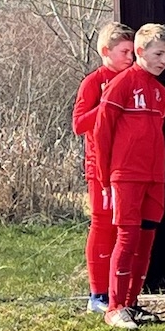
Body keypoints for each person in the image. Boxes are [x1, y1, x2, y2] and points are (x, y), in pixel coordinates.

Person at [91, 23, 165, 330]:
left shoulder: (160, 90)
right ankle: (114, 307)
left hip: (154, 177)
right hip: (126, 175)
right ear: (140, 52)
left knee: (146, 238)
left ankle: (131, 302)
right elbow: (102, 132)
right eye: (158, 54)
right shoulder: (122, 84)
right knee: (127, 237)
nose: (163, 61)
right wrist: (104, 179)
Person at [71, 21, 135, 314]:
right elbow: (79, 123)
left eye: (132, 52)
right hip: (100, 165)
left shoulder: (133, 79)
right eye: (124, 52)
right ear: (106, 51)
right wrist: (107, 104)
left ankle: (119, 291)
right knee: (102, 225)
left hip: (127, 166)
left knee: (124, 228)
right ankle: (97, 294)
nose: (130, 58)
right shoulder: (93, 82)